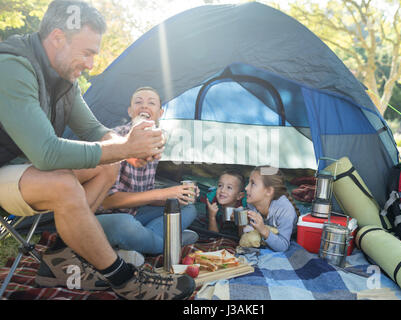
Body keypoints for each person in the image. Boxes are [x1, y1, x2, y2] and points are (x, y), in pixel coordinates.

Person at [0, 0, 194, 300]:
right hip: (6, 168)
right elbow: (46, 154)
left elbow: (95, 132)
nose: (91, 64)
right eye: (87, 52)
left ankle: (61, 255)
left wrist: (131, 148)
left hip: (23, 169)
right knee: (64, 184)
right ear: (57, 38)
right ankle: (124, 279)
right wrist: (123, 147)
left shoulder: (64, 79)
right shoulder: (12, 67)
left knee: (108, 165)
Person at [95, 86, 199, 257]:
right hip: (107, 217)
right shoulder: (115, 138)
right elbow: (107, 202)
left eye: (151, 103)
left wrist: (175, 195)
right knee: (126, 225)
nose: (144, 106)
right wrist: (162, 193)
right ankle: (170, 242)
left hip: (136, 213)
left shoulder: (155, 142)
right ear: (130, 111)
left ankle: (141, 243)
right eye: (138, 102)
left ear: (160, 113)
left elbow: (145, 197)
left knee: (187, 208)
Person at [245, 166, 300, 252]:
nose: (246, 188)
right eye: (248, 183)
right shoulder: (251, 202)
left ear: (269, 191)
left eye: (253, 184)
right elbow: (247, 234)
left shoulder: (285, 210)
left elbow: (283, 246)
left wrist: (263, 229)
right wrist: (242, 220)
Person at [205, 170, 246, 237]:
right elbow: (213, 237)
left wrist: (241, 221)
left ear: (239, 196)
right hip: (219, 230)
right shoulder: (212, 204)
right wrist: (212, 216)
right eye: (220, 185)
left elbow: (243, 238)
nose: (222, 190)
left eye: (229, 187)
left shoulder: (244, 207)